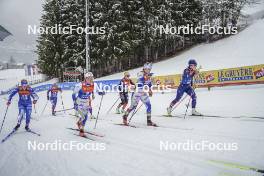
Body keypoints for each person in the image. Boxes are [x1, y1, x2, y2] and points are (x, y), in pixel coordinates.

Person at [122, 62, 157, 126]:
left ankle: (149, 121)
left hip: (143, 93)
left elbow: (149, 83)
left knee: (149, 105)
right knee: (133, 106)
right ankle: (125, 116)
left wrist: (150, 90)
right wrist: (146, 77)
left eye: (149, 69)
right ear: (144, 68)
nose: (148, 70)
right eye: (146, 69)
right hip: (137, 92)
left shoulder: (149, 75)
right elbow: (140, 80)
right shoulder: (140, 73)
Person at [72, 72, 95, 137]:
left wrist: (100, 93)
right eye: (89, 78)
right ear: (85, 78)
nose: (90, 79)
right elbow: (73, 94)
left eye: (91, 78)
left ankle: (79, 123)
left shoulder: (92, 84)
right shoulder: (80, 85)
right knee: (83, 116)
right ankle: (81, 130)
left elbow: (93, 90)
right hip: (79, 102)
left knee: (85, 116)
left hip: (86, 101)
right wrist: (75, 103)